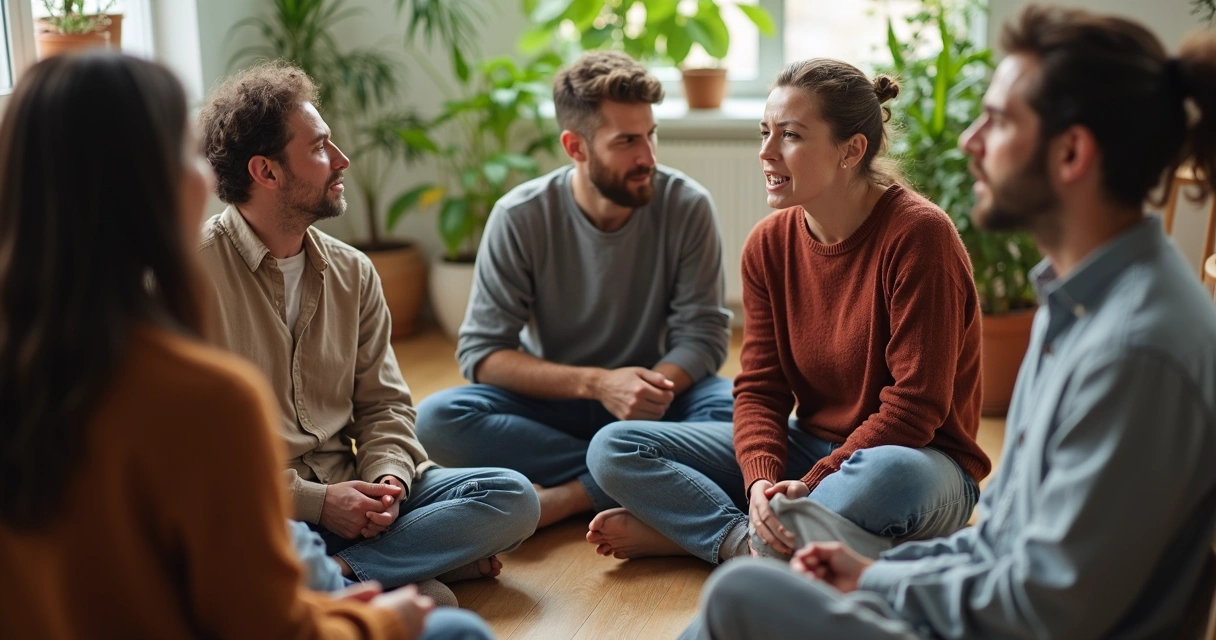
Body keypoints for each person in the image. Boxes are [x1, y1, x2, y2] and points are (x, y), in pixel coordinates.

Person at [682, 5, 1216, 638]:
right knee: (748, 588)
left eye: (999, 121)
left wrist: (882, 585)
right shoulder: (1078, 305)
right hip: (979, 605)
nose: (970, 141)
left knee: (741, 595)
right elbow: (1003, 541)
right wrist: (873, 574)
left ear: (1072, 152)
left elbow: (1047, 607)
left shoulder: (1134, 348)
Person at [0, 51, 493, 640]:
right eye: (186, 155)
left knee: (500, 500)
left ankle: (363, 570)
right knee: (448, 624)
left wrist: (386, 480)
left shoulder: (42, 362)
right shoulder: (203, 393)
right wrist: (378, 621)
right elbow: (264, 622)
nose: (208, 177)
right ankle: (371, 572)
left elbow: (385, 406)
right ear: (145, 188)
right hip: (286, 528)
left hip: (330, 503)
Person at [584, 57, 989, 564]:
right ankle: (748, 541)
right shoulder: (768, 244)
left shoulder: (920, 236)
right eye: (765, 132)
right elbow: (760, 387)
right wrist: (761, 481)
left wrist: (812, 483)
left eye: (790, 135)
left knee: (889, 476)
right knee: (613, 447)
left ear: (851, 150)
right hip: (811, 448)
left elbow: (915, 408)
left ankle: (716, 536)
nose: (766, 151)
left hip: (917, 461)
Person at [196, 61, 539, 592]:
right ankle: (407, 566)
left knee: (512, 496)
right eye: (319, 147)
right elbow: (191, 456)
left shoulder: (353, 271)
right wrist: (318, 503)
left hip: (354, 494)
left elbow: (384, 405)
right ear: (266, 172)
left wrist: (388, 480)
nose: (341, 159)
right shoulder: (188, 276)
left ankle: (341, 575)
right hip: (262, 511)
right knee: (436, 603)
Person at [414, 51, 734, 528]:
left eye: (651, 134)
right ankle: (636, 476)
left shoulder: (687, 205)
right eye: (627, 141)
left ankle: (572, 496)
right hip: (554, 402)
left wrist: (645, 389)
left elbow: (704, 335)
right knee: (436, 419)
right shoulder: (519, 216)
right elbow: (483, 354)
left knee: (739, 417)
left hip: (655, 405)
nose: (648, 157)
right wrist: (599, 384)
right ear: (575, 147)